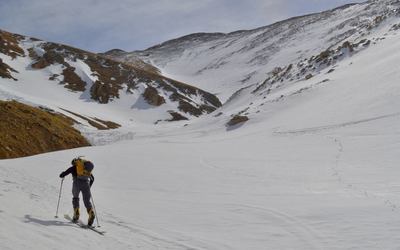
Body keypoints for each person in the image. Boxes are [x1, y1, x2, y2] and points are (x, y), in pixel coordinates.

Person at [59, 157, 95, 226]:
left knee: (75, 197)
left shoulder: (73, 168)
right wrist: (88, 187)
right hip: (86, 184)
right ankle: (91, 213)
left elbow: (64, 173)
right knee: (87, 201)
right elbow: (92, 179)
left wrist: (62, 175)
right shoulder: (86, 169)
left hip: (76, 183)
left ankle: (76, 213)